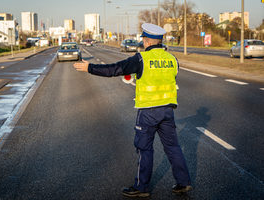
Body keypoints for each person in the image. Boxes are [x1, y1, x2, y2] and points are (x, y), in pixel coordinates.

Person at [73, 23, 192, 198]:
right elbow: (167, 77)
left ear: (147, 41)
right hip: (167, 110)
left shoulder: (140, 59)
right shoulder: (172, 59)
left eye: (143, 39)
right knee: (173, 147)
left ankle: (141, 187)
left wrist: (89, 68)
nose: (143, 42)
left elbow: (115, 69)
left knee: (144, 149)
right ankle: (183, 182)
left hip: (148, 112)